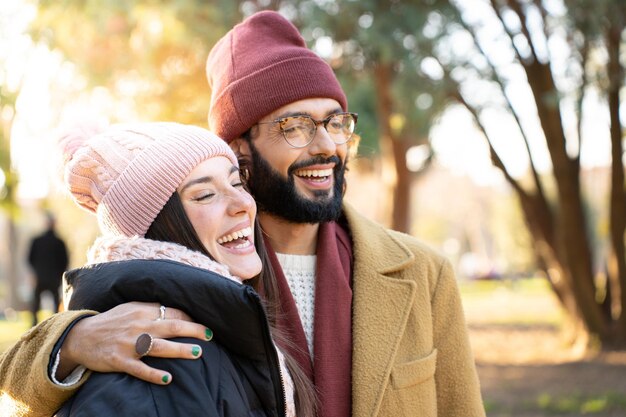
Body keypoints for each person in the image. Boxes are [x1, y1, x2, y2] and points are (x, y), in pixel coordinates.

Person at [0, 11, 485, 417]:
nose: (325, 146)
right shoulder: (189, 271)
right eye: (294, 126)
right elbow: (18, 377)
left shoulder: (424, 272)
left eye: (335, 122)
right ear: (239, 150)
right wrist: (75, 342)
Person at [4, 122, 314, 416]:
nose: (243, 203)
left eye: (236, 182)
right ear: (156, 227)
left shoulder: (224, 326)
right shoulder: (160, 362)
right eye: (205, 194)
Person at [27, 212, 69, 326]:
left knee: (36, 303)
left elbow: (30, 259)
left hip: (40, 277)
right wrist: (59, 275)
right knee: (55, 303)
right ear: (54, 224)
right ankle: (55, 324)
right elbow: (65, 261)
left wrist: (36, 272)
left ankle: (34, 324)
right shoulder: (60, 242)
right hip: (54, 278)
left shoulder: (37, 240)